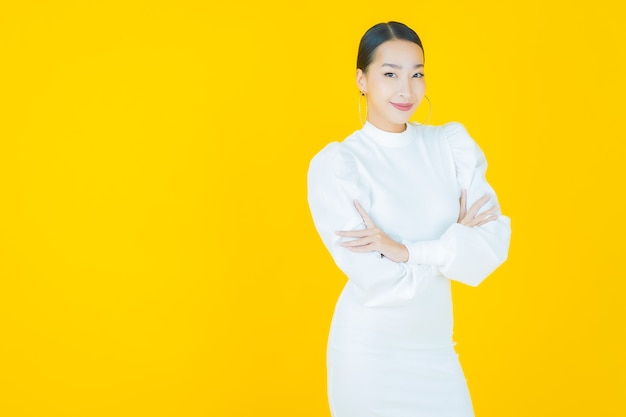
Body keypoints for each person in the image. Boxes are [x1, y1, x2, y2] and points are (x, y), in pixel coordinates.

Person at [306, 21, 512, 417]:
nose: (406, 89)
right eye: (390, 74)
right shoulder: (339, 165)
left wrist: (403, 251)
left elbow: (490, 248)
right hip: (368, 355)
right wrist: (451, 244)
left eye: (417, 74)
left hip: (437, 350)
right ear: (361, 80)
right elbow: (377, 283)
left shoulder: (450, 145)